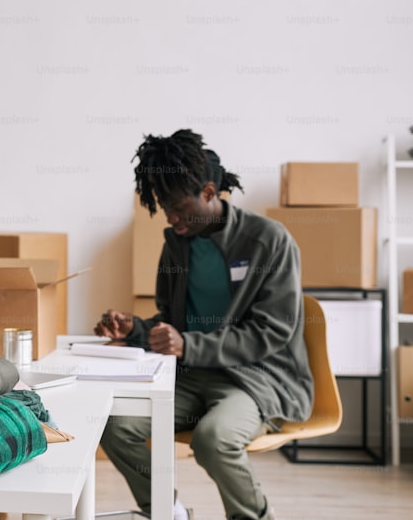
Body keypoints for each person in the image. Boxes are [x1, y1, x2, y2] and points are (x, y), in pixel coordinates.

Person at [95, 129, 312, 520]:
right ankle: (166, 510)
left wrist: (189, 346)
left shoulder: (268, 240)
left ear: (210, 193)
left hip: (255, 377)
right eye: (163, 207)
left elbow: (272, 331)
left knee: (213, 440)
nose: (171, 217)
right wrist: (135, 331)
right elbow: (175, 325)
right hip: (189, 376)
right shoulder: (177, 243)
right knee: (113, 424)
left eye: (178, 206)